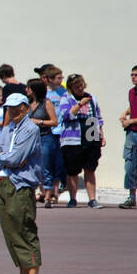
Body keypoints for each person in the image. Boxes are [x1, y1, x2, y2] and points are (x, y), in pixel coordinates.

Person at [0, 92, 44, 274]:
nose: (12, 111)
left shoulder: (31, 129)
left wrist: (5, 158)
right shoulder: (7, 129)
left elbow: (18, 158)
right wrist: (6, 158)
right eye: (9, 107)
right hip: (3, 182)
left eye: (16, 107)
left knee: (25, 230)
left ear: (25, 107)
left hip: (20, 184)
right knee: (10, 231)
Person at [57, 74, 105, 209]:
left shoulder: (92, 98)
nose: (80, 88)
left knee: (90, 167)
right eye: (77, 86)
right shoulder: (66, 98)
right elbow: (66, 115)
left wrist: (101, 135)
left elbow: (98, 118)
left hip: (90, 133)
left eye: (81, 84)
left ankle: (92, 199)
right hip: (73, 137)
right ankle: (73, 199)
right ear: (71, 87)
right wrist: (79, 104)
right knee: (72, 170)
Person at [25, 77, 59, 207]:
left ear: (34, 90)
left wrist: (38, 122)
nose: (26, 90)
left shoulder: (46, 103)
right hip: (30, 139)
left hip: (45, 137)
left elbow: (54, 122)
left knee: (45, 166)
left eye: (28, 87)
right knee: (31, 167)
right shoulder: (27, 103)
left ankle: (48, 196)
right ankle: (35, 192)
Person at [120, 64, 137, 208]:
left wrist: (131, 120)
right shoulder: (131, 92)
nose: (133, 77)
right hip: (131, 134)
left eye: (136, 75)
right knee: (130, 166)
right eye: (132, 75)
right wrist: (125, 113)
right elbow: (134, 106)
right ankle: (131, 197)